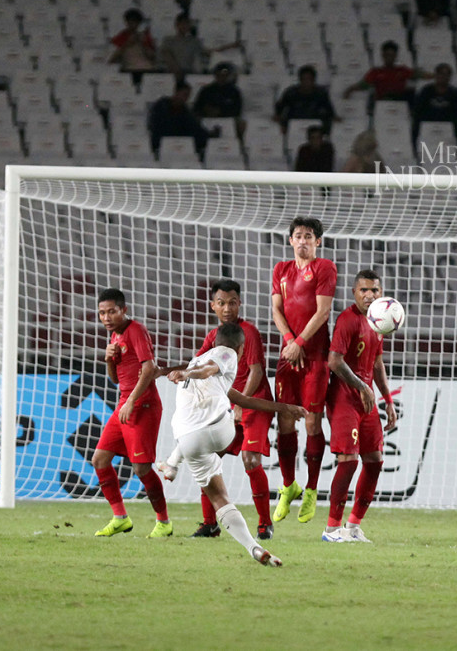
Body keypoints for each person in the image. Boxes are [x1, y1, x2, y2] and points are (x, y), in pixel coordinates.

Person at [164, 322, 308, 566]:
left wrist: (284, 408)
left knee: (218, 498)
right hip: (219, 429)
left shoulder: (195, 360)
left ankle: (172, 463)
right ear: (241, 348)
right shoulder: (225, 354)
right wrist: (188, 374)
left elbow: (240, 398)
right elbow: (211, 369)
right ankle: (254, 547)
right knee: (227, 489)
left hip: (188, 438)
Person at [157, 280, 277, 540]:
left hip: (251, 402)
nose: (227, 308)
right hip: (224, 406)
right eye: (221, 303)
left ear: (239, 304)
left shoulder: (249, 333)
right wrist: (168, 371)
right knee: (208, 458)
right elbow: (197, 364)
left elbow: (256, 371)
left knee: (251, 460)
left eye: (232, 302)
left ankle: (265, 523)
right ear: (213, 306)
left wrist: (238, 405)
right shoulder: (214, 336)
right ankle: (210, 524)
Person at [322, 270, 399, 543]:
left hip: (365, 398)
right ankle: (331, 529)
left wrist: (387, 400)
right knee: (349, 460)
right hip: (344, 398)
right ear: (354, 292)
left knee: (375, 460)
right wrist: (361, 386)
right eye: (364, 290)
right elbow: (334, 361)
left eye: (375, 290)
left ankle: (353, 526)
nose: (370, 295)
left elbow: (377, 364)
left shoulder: (379, 322)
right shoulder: (347, 320)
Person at [271, 216, 337, 524]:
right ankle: (288, 486)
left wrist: (299, 342)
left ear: (317, 241)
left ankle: (311, 490)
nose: (303, 241)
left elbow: (323, 311)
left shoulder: (324, 268)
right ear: (290, 240)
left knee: (312, 423)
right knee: (285, 419)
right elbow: (276, 308)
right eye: (298, 236)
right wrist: (289, 341)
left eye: (309, 236)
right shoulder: (280, 270)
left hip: (315, 356)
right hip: (288, 353)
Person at [91, 288, 171, 538]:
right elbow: (116, 379)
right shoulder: (114, 337)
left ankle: (164, 522)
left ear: (124, 310)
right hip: (125, 404)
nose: (106, 317)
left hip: (143, 405)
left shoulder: (136, 330)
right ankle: (120, 518)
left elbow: (149, 369)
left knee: (141, 468)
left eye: (111, 312)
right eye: (102, 313)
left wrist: (131, 402)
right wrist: (107, 360)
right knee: (99, 459)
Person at [343, 41, 430, 103]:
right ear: (383, 55)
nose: (389, 58)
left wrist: (434, 75)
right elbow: (363, 85)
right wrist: (350, 89)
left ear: (396, 56)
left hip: (400, 102)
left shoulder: (402, 70)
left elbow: (418, 74)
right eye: (387, 55)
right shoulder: (376, 71)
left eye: (392, 55)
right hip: (382, 102)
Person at [158, 13, 239, 78]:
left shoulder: (194, 41)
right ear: (176, 24)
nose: (184, 26)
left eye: (187, 24)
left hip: (188, 73)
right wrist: (176, 70)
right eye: (182, 23)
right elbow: (166, 55)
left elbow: (208, 52)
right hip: (169, 73)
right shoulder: (168, 40)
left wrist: (229, 46)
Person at [148, 81, 216, 156]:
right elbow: (158, 126)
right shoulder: (161, 106)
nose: (186, 98)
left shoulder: (185, 111)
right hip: (162, 141)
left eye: (188, 96)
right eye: (185, 95)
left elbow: (195, 127)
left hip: (182, 142)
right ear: (176, 92)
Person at [413, 63, 457, 145]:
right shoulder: (426, 91)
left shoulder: (455, 93)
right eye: (441, 74)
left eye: (447, 74)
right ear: (436, 75)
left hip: (448, 129)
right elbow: (417, 111)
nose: (444, 77)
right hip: (428, 128)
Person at [275, 65, 337, 134]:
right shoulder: (290, 93)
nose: (306, 82)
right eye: (304, 79)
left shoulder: (321, 93)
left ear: (314, 80)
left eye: (309, 79)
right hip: (294, 125)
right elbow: (280, 110)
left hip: (315, 128)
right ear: (300, 79)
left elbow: (329, 111)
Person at [192, 62, 244, 137]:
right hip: (207, 120)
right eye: (219, 74)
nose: (221, 77)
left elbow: (237, 110)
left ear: (228, 75)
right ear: (215, 75)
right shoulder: (206, 90)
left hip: (227, 121)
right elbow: (197, 108)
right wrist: (207, 111)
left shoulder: (234, 92)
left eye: (224, 75)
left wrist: (220, 112)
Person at [107, 7, 156, 81]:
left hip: (147, 69)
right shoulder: (120, 37)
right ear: (126, 22)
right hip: (129, 70)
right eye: (130, 21)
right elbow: (111, 60)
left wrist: (144, 44)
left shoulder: (145, 37)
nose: (133, 24)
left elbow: (152, 57)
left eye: (136, 22)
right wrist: (127, 44)